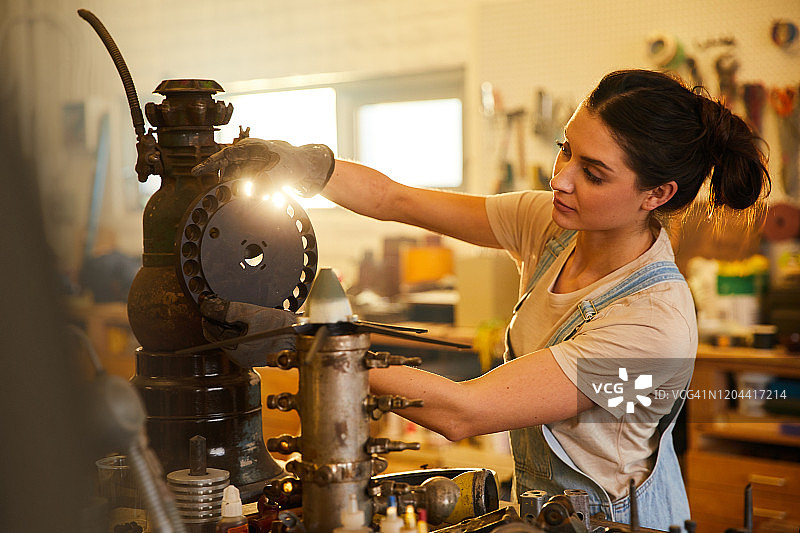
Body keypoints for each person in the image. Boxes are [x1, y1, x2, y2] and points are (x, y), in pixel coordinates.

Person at [191, 69, 770, 530]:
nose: (561, 179)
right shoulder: (553, 225)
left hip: (615, 523)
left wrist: (300, 341)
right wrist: (306, 165)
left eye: (593, 173)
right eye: (566, 150)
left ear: (656, 194)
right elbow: (398, 200)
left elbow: (462, 411)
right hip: (546, 510)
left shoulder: (652, 322)